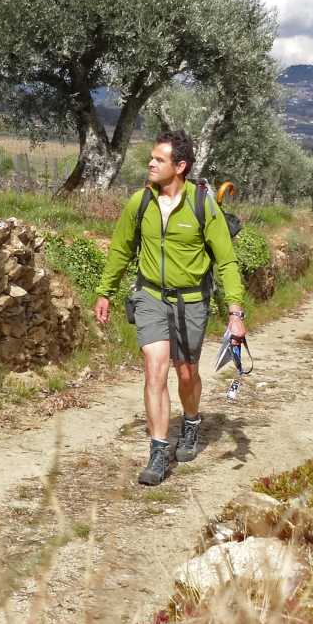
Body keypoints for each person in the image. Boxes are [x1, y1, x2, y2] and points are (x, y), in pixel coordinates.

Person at [94, 130, 247, 486]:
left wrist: (235, 313)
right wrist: (105, 291)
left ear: (180, 166)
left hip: (191, 300)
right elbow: (120, 249)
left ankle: (191, 422)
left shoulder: (202, 205)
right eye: (151, 157)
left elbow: (226, 262)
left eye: (159, 159)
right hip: (149, 296)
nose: (150, 163)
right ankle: (159, 452)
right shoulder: (140, 202)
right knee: (154, 369)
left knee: (187, 373)